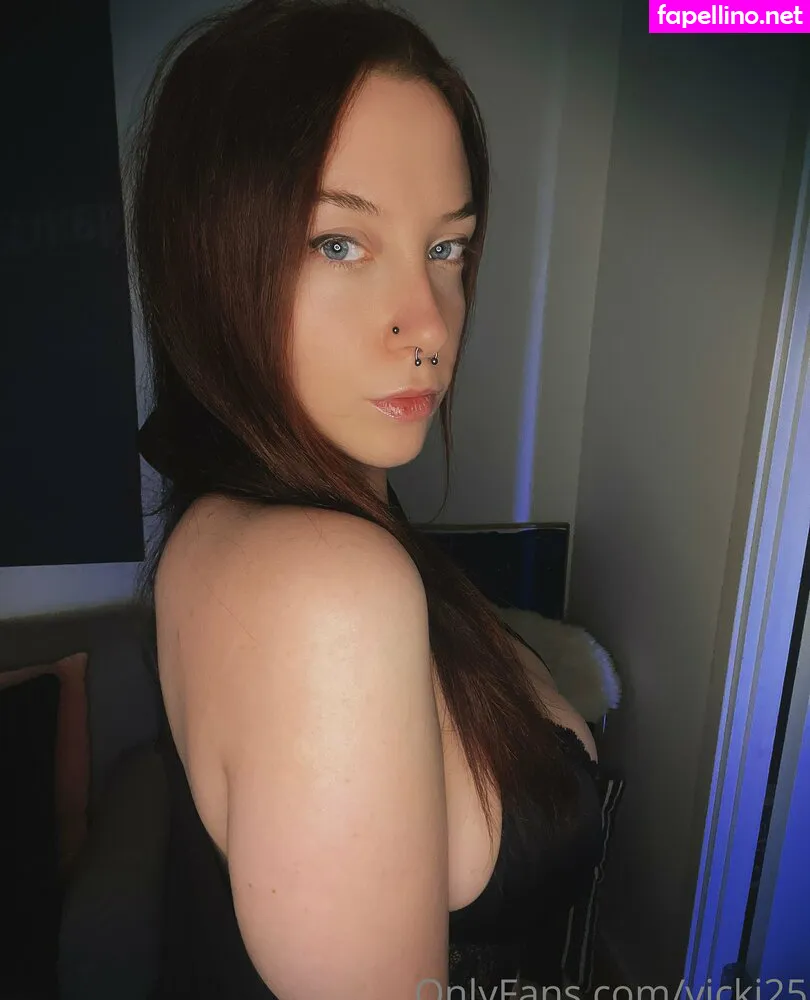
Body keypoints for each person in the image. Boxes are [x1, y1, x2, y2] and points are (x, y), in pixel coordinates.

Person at [131, 1, 604, 996]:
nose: (427, 323)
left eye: (448, 249)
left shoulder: (253, 523)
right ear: (211, 261)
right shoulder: (326, 586)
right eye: (339, 244)